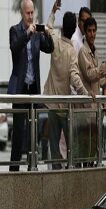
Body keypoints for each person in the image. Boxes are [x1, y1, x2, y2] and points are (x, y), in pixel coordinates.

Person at [43, 1, 91, 170]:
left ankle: (56, 169)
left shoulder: (55, 41)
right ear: (73, 30)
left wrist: (53, 12)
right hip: (64, 106)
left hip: (51, 103)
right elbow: (75, 78)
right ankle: (71, 169)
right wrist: (86, 94)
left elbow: (47, 27)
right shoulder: (72, 52)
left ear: (62, 27)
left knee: (54, 143)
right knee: (71, 141)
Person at [8, 0, 54, 171]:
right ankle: (13, 170)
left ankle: (31, 169)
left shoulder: (37, 34)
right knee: (19, 134)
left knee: (32, 134)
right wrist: (27, 33)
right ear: (22, 13)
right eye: (27, 13)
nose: (30, 16)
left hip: (32, 90)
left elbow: (49, 49)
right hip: (20, 90)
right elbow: (15, 47)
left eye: (32, 13)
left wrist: (47, 34)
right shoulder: (15, 30)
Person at [78, 17, 106, 165]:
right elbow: (89, 75)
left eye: (94, 31)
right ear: (85, 33)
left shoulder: (95, 52)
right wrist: (105, 66)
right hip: (87, 109)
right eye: (89, 31)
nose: (92, 34)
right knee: (87, 145)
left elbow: (97, 81)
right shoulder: (83, 51)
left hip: (96, 108)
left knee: (94, 146)